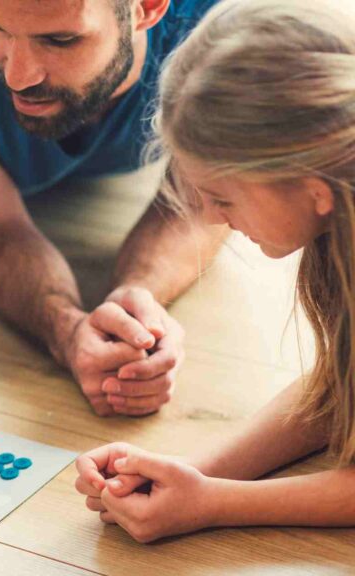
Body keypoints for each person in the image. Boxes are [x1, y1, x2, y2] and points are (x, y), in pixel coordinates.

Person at [75, 0, 355, 541]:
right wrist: (192, 473)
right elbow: (339, 388)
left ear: (314, 191)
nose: (204, 217)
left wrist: (216, 503)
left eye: (222, 198)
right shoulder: (337, 210)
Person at [0, 0, 228, 416]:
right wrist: (69, 332)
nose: (17, 77)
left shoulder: (220, 22)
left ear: (146, 9)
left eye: (60, 39)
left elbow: (204, 202)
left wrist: (136, 308)